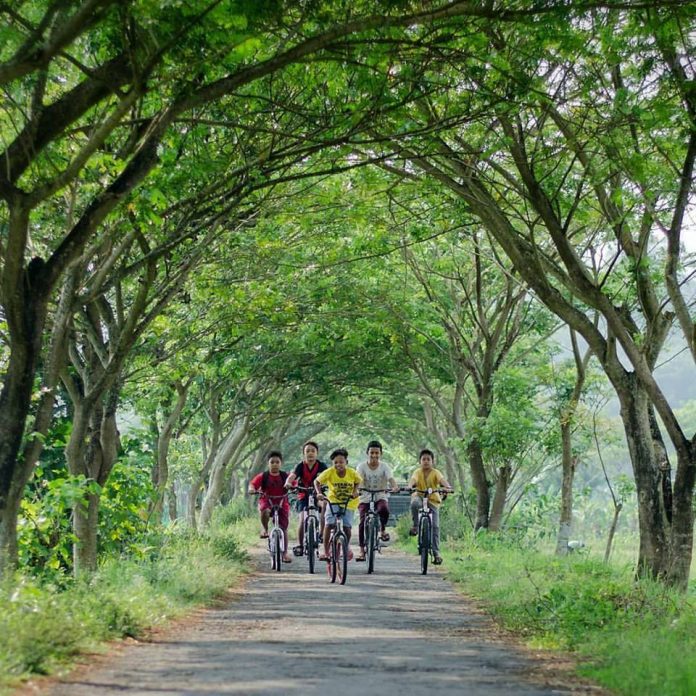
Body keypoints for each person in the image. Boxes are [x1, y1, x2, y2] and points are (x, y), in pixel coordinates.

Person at [314, 448, 362, 562]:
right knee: (329, 524)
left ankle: (345, 545)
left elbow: (358, 481)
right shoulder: (330, 472)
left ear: (346, 462)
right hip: (333, 501)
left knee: (347, 527)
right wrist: (319, 493)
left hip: (349, 502)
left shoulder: (352, 472)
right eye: (335, 462)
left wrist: (355, 491)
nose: (338, 464)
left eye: (341, 462)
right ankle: (326, 551)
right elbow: (317, 482)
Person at [355, 440, 399, 562]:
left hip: (380, 495)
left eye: (376, 453)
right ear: (367, 453)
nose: (374, 455)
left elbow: (390, 478)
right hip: (365, 496)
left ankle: (382, 529)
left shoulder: (384, 466)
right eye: (372, 453)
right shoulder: (361, 466)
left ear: (380, 454)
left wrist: (394, 486)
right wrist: (359, 489)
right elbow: (359, 480)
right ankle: (362, 550)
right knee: (363, 521)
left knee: (383, 509)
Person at [408, 448, 453, 565]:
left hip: (433, 500)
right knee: (414, 503)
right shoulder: (417, 472)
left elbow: (443, 481)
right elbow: (413, 480)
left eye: (428, 459)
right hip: (420, 496)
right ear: (420, 461)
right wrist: (410, 486)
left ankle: (436, 553)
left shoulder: (436, 473)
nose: (426, 461)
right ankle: (416, 526)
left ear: (432, 461)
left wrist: (447, 488)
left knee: (435, 527)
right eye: (424, 459)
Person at [248, 450, 292, 563]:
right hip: (267, 501)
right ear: (268, 463)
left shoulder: (285, 476)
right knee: (265, 511)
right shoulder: (263, 476)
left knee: (284, 528)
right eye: (272, 462)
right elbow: (252, 484)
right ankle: (265, 528)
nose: (275, 464)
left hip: (282, 502)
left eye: (277, 462)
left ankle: (285, 553)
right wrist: (252, 489)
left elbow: (293, 483)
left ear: (281, 463)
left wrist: (292, 487)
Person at [284, 440, 327, 556]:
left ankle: (322, 534)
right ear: (304, 453)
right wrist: (288, 483)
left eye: (313, 451)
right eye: (307, 451)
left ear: (317, 453)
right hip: (303, 495)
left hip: (318, 494)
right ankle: (300, 545)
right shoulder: (300, 466)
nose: (310, 453)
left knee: (325, 508)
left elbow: (329, 476)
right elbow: (292, 477)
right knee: (303, 519)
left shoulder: (322, 466)